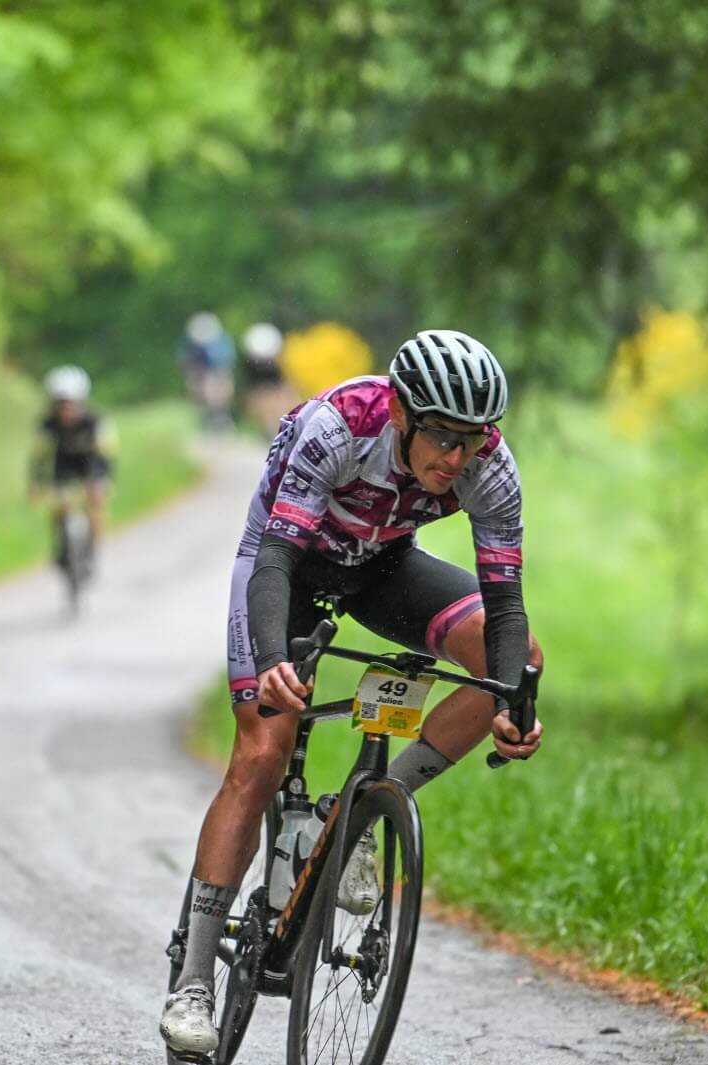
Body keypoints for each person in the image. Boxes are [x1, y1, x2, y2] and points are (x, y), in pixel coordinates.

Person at [158, 328, 545, 1056]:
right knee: (262, 749)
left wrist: (512, 707)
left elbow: (506, 598)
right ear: (401, 412)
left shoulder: (490, 468)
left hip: (382, 565)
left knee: (518, 656)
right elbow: (274, 557)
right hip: (288, 567)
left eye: (470, 439)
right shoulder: (338, 425)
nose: (454, 458)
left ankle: (360, 814)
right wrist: (274, 659)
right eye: (440, 436)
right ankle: (193, 978)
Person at [30, 365, 116, 559]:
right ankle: (60, 546)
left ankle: (95, 545)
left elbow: (107, 454)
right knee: (58, 505)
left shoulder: (95, 421)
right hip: (64, 464)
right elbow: (39, 456)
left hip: (92, 463)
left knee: (95, 501)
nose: (65, 409)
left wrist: (102, 481)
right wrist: (36, 483)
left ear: (80, 402)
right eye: (60, 403)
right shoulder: (47, 424)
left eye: (70, 403)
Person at [177, 311, 236, 431]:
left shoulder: (221, 344)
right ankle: (207, 419)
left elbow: (225, 363)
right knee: (201, 391)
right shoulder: (191, 345)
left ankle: (221, 418)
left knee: (220, 391)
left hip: (217, 372)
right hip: (200, 373)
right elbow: (186, 363)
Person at [240, 320, 292, 436]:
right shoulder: (254, 364)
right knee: (260, 399)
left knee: (278, 398)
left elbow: (284, 388)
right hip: (260, 382)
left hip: (271, 380)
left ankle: (275, 426)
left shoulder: (276, 364)